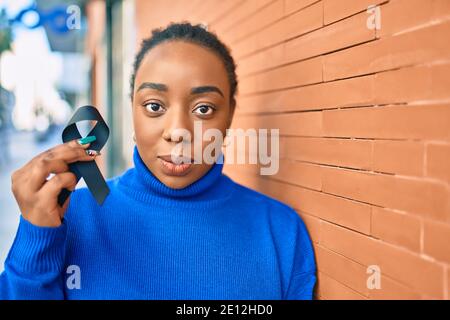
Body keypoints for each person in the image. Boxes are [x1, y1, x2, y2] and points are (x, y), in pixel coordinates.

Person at [0, 22, 316, 299]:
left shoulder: (281, 233)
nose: (178, 131)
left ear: (230, 113)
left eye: (204, 109)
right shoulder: (68, 218)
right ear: (131, 110)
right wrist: (36, 238)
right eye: (154, 106)